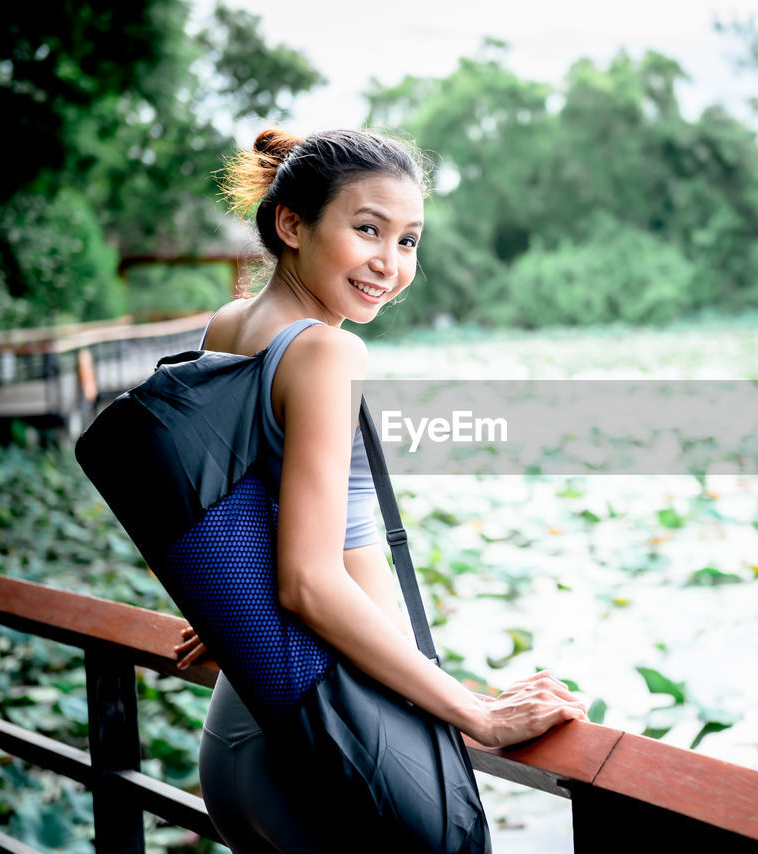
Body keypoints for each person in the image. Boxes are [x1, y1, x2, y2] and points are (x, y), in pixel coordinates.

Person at [170, 128, 586, 853]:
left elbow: (232, 512)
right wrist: (477, 714)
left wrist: (238, 607)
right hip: (332, 735)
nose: (389, 264)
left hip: (244, 730)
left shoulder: (230, 325)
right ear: (291, 224)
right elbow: (308, 582)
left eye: (408, 241)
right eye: (368, 230)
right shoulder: (327, 351)